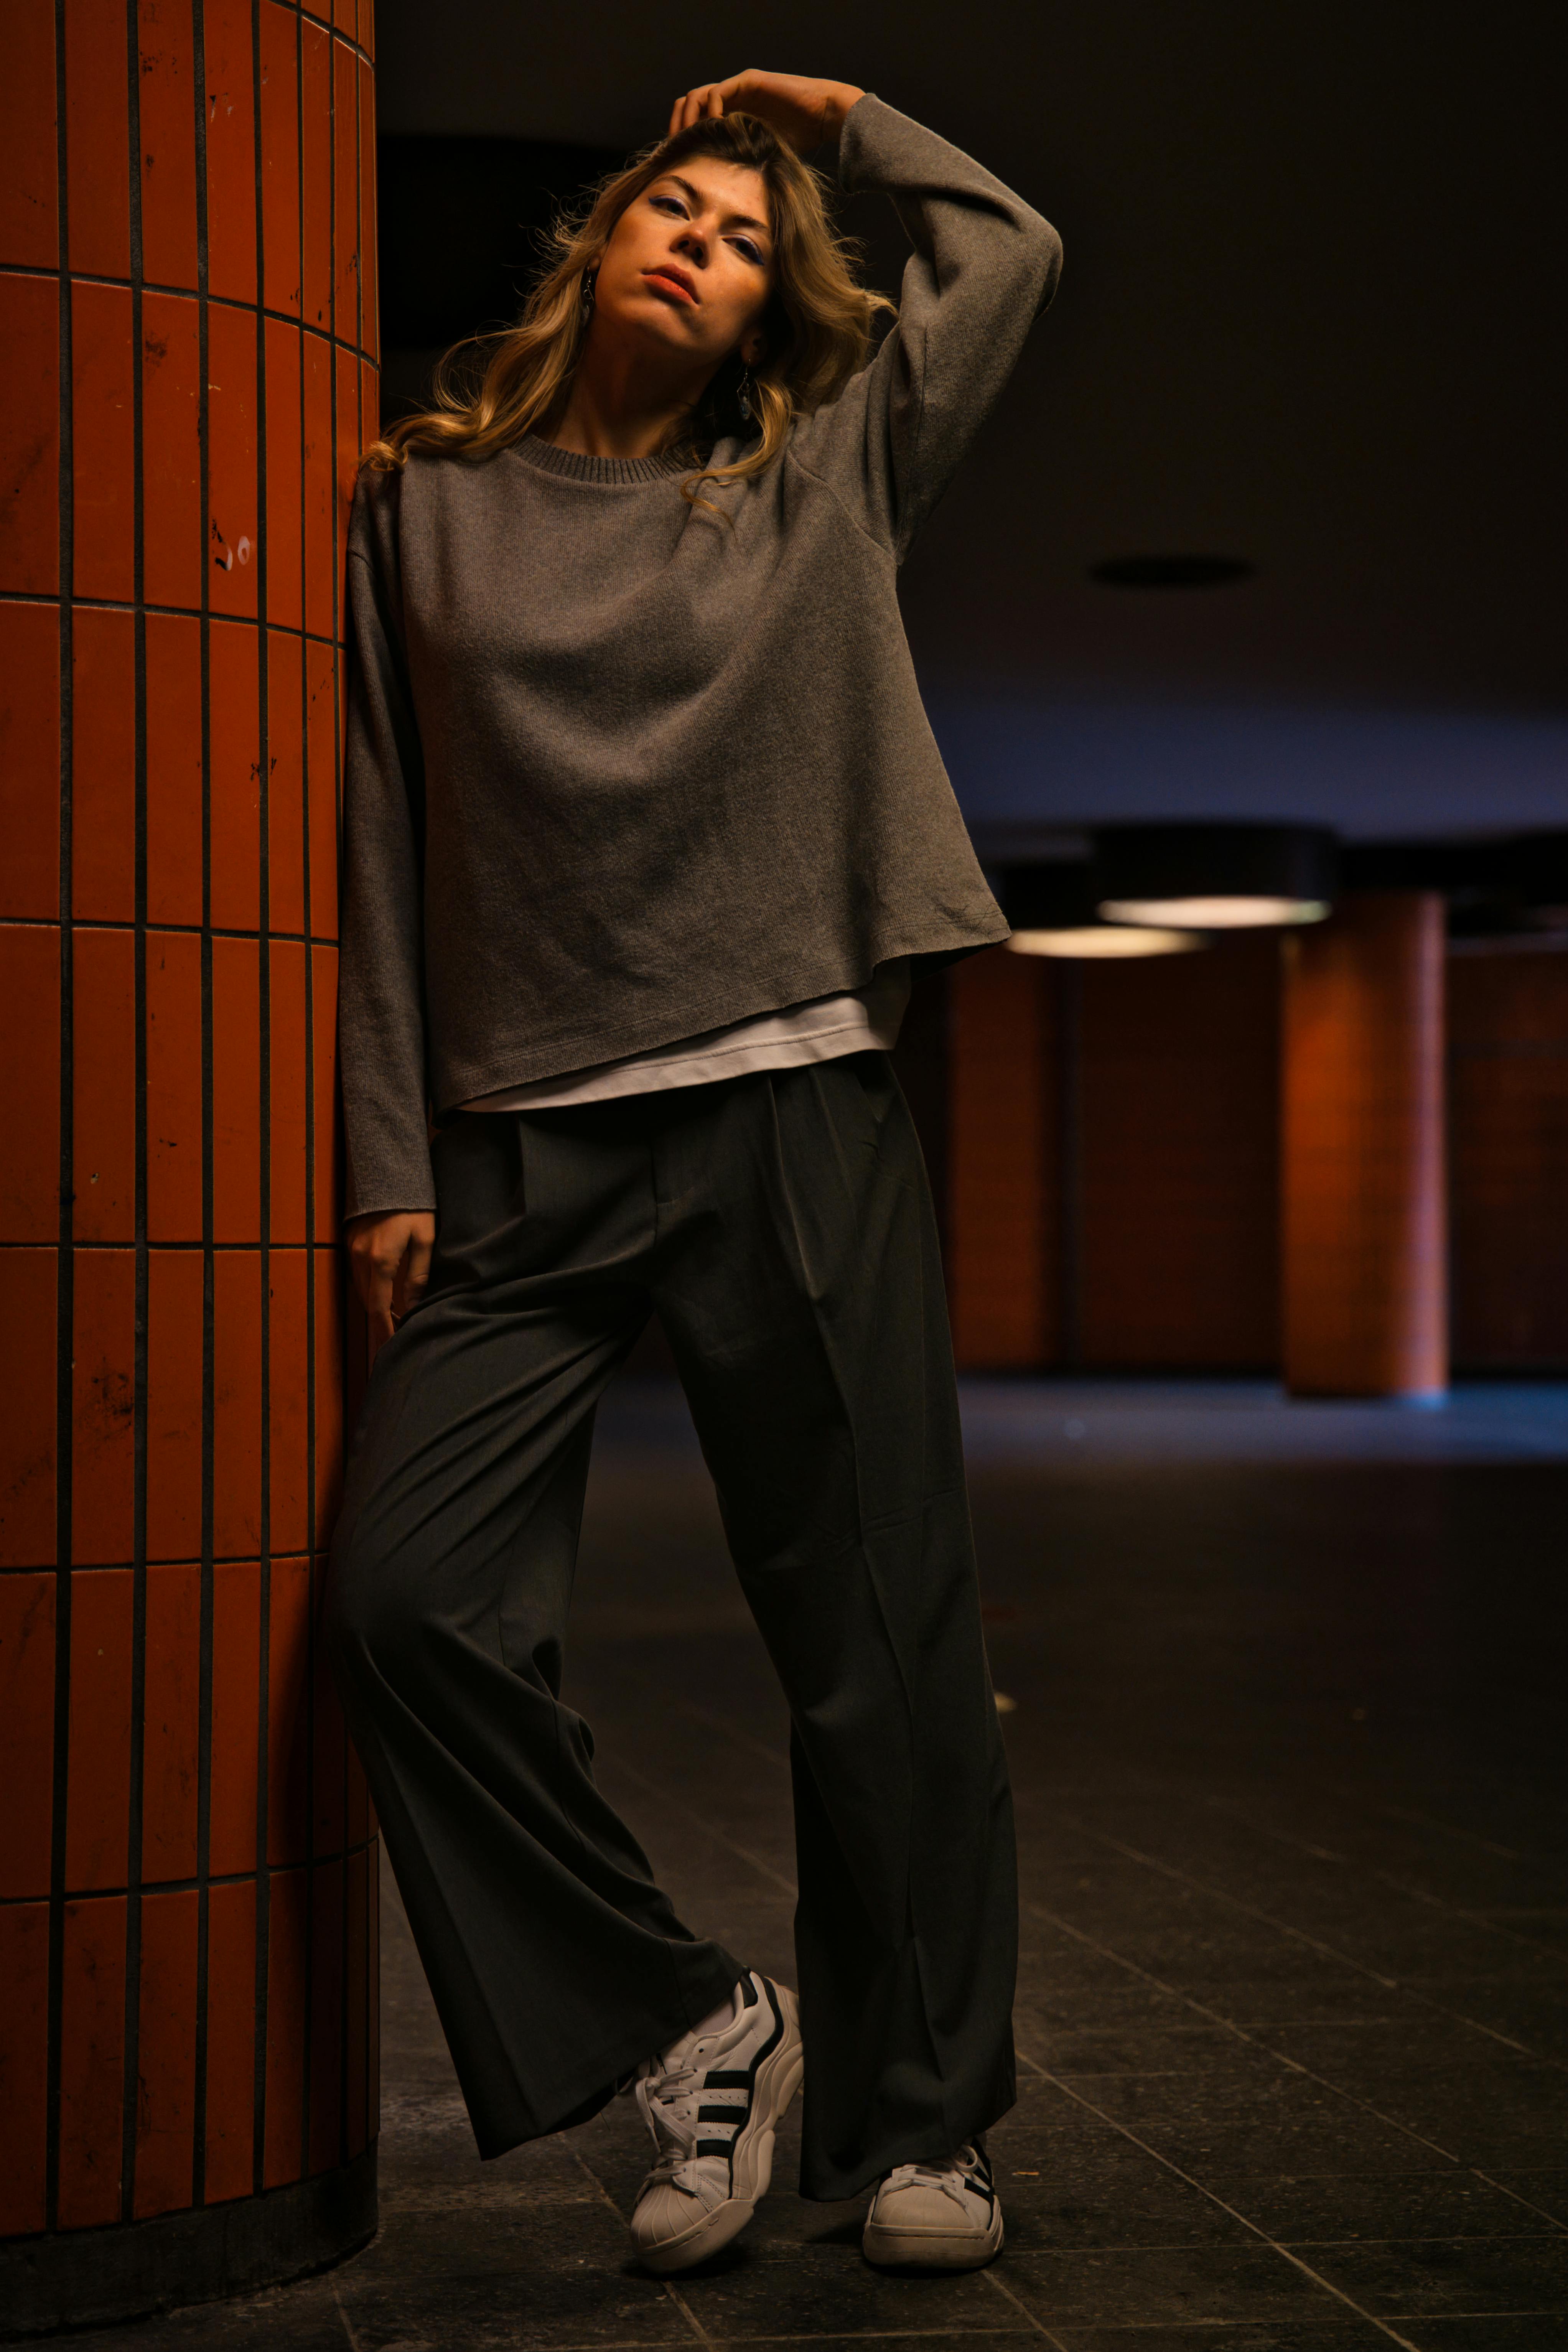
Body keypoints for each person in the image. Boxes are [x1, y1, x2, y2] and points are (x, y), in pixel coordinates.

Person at [328, 67, 1062, 2277]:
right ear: (597, 238)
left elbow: (1007, 250)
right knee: (403, 1606)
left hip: (791, 1100)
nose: (704, 243)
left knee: (871, 1645)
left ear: (769, 313)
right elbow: (370, 841)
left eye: (749, 236)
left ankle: (921, 2129)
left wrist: (834, 116)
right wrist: (389, 1148)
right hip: (523, 1139)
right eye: (676, 203)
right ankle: (689, 2018)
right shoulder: (421, 502)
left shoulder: (820, 467)